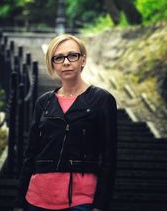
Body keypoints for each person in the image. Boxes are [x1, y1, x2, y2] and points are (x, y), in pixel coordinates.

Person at [15, 34, 118, 211]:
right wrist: (19, 202)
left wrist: (100, 205)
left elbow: (109, 157)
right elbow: (31, 153)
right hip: (36, 197)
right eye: (58, 57)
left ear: (83, 60)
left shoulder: (102, 100)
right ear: (52, 64)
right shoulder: (44, 102)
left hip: (81, 198)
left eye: (72, 55)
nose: (66, 62)